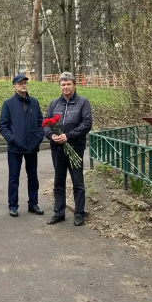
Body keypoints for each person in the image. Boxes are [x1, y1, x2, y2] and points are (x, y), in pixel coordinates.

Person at [43, 72, 93, 226]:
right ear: (59, 86)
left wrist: (69, 136)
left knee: (78, 181)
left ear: (74, 85)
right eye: (63, 84)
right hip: (57, 148)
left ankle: (79, 213)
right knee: (59, 181)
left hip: (75, 147)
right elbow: (45, 123)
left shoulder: (83, 102)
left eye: (68, 84)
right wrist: (51, 135)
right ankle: (59, 213)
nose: (66, 87)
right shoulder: (54, 104)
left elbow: (87, 123)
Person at [0, 74, 45, 218]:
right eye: (20, 83)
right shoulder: (8, 104)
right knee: (14, 177)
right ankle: (13, 206)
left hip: (32, 146)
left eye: (25, 83)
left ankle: (33, 204)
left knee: (33, 177)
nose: (23, 85)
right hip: (15, 147)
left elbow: (41, 123)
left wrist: (38, 138)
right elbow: (3, 126)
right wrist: (12, 139)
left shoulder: (34, 103)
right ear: (14, 86)